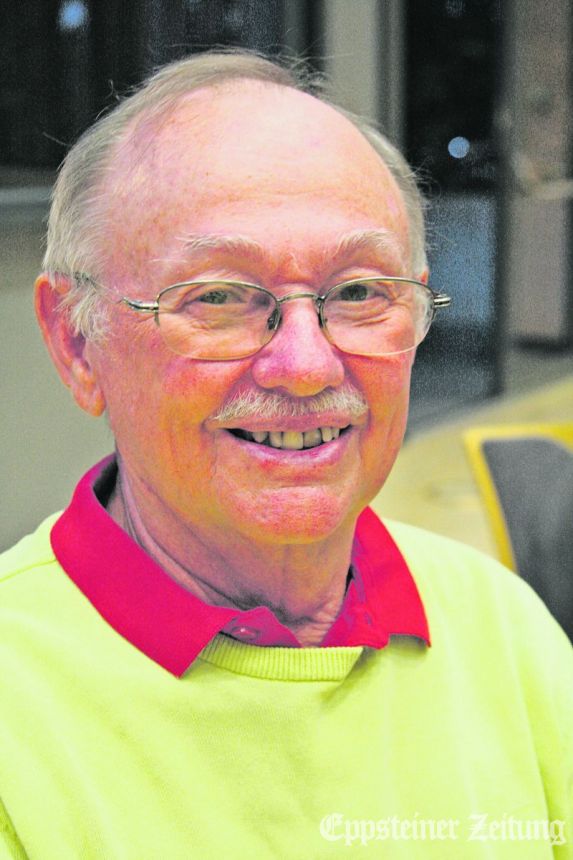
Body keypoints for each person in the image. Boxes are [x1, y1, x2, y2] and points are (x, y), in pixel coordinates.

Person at [1, 50, 571, 859]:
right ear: (76, 344)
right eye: (218, 297)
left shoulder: (499, 625)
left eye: (359, 292)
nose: (305, 366)